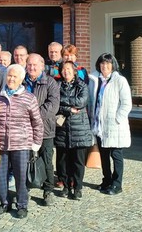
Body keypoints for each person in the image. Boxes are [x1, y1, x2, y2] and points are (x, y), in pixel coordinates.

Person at [0, 64, 43, 219]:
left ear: (21, 79)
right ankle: (4, 203)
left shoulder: (29, 98)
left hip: (21, 144)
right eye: (9, 75)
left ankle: (22, 205)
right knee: (0, 176)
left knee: (21, 177)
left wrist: (36, 144)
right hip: (1, 144)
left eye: (15, 76)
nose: (11, 79)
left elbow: (37, 122)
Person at [88, 53, 131, 195]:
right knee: (104, 155)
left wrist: (117, 119)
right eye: (102, 63)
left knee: (116, 155)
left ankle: (117, 184)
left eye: (107, 63)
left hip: (115, 126)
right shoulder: (95, 79)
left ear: (113, 65)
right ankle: (106, 180)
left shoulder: (120, 80)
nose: (104, 66)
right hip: (100, 125)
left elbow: (126, 104)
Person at [23, 53, 60, 206]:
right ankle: (24, 188)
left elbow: (53, 105)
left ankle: (48, 190)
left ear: (42, 66)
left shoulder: (50, 82)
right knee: (23, 159)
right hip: (24, 129)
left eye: (35, 65)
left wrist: (34, 115)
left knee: (46, 160)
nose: (32, 67)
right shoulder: (21, 81)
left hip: (45, 128)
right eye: (29, 64)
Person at [55, 61, 92, 200]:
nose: (66, 71)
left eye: (69, 69)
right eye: (63, 69)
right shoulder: (57, 85)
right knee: (62, 160)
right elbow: (55, 103)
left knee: (78, 161)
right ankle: (65, 185)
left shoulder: (81, 85)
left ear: (74, 71)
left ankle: (77, 187)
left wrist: (64, 103)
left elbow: (82, 102)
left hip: (79, 129)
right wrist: (69, 109)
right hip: (62, 129)